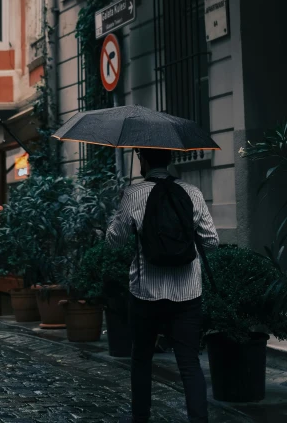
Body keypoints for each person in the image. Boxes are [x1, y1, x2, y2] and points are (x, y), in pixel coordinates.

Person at [106, 148, 219, 423]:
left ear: (143, 160)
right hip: (188, 292)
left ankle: (141, 418)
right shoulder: (192, 192)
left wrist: (120, 222)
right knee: (190, 364)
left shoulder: (133, 193)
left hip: (146, 291)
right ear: (170, 159)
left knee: (141, 359)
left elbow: (115, 241)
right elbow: (212, 240)